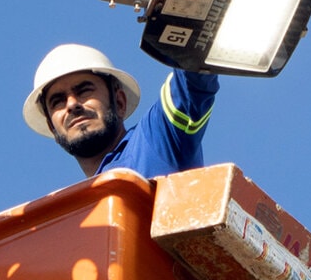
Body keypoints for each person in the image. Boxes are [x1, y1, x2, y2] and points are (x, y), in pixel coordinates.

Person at [23, 44, 219, 179]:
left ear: (119, 101)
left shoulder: (156, 139)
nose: (72, 104)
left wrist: (192, 18)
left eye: (84, 90)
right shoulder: (79, 217)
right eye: (58, 101)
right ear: (52, 127)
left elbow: (192, 81)